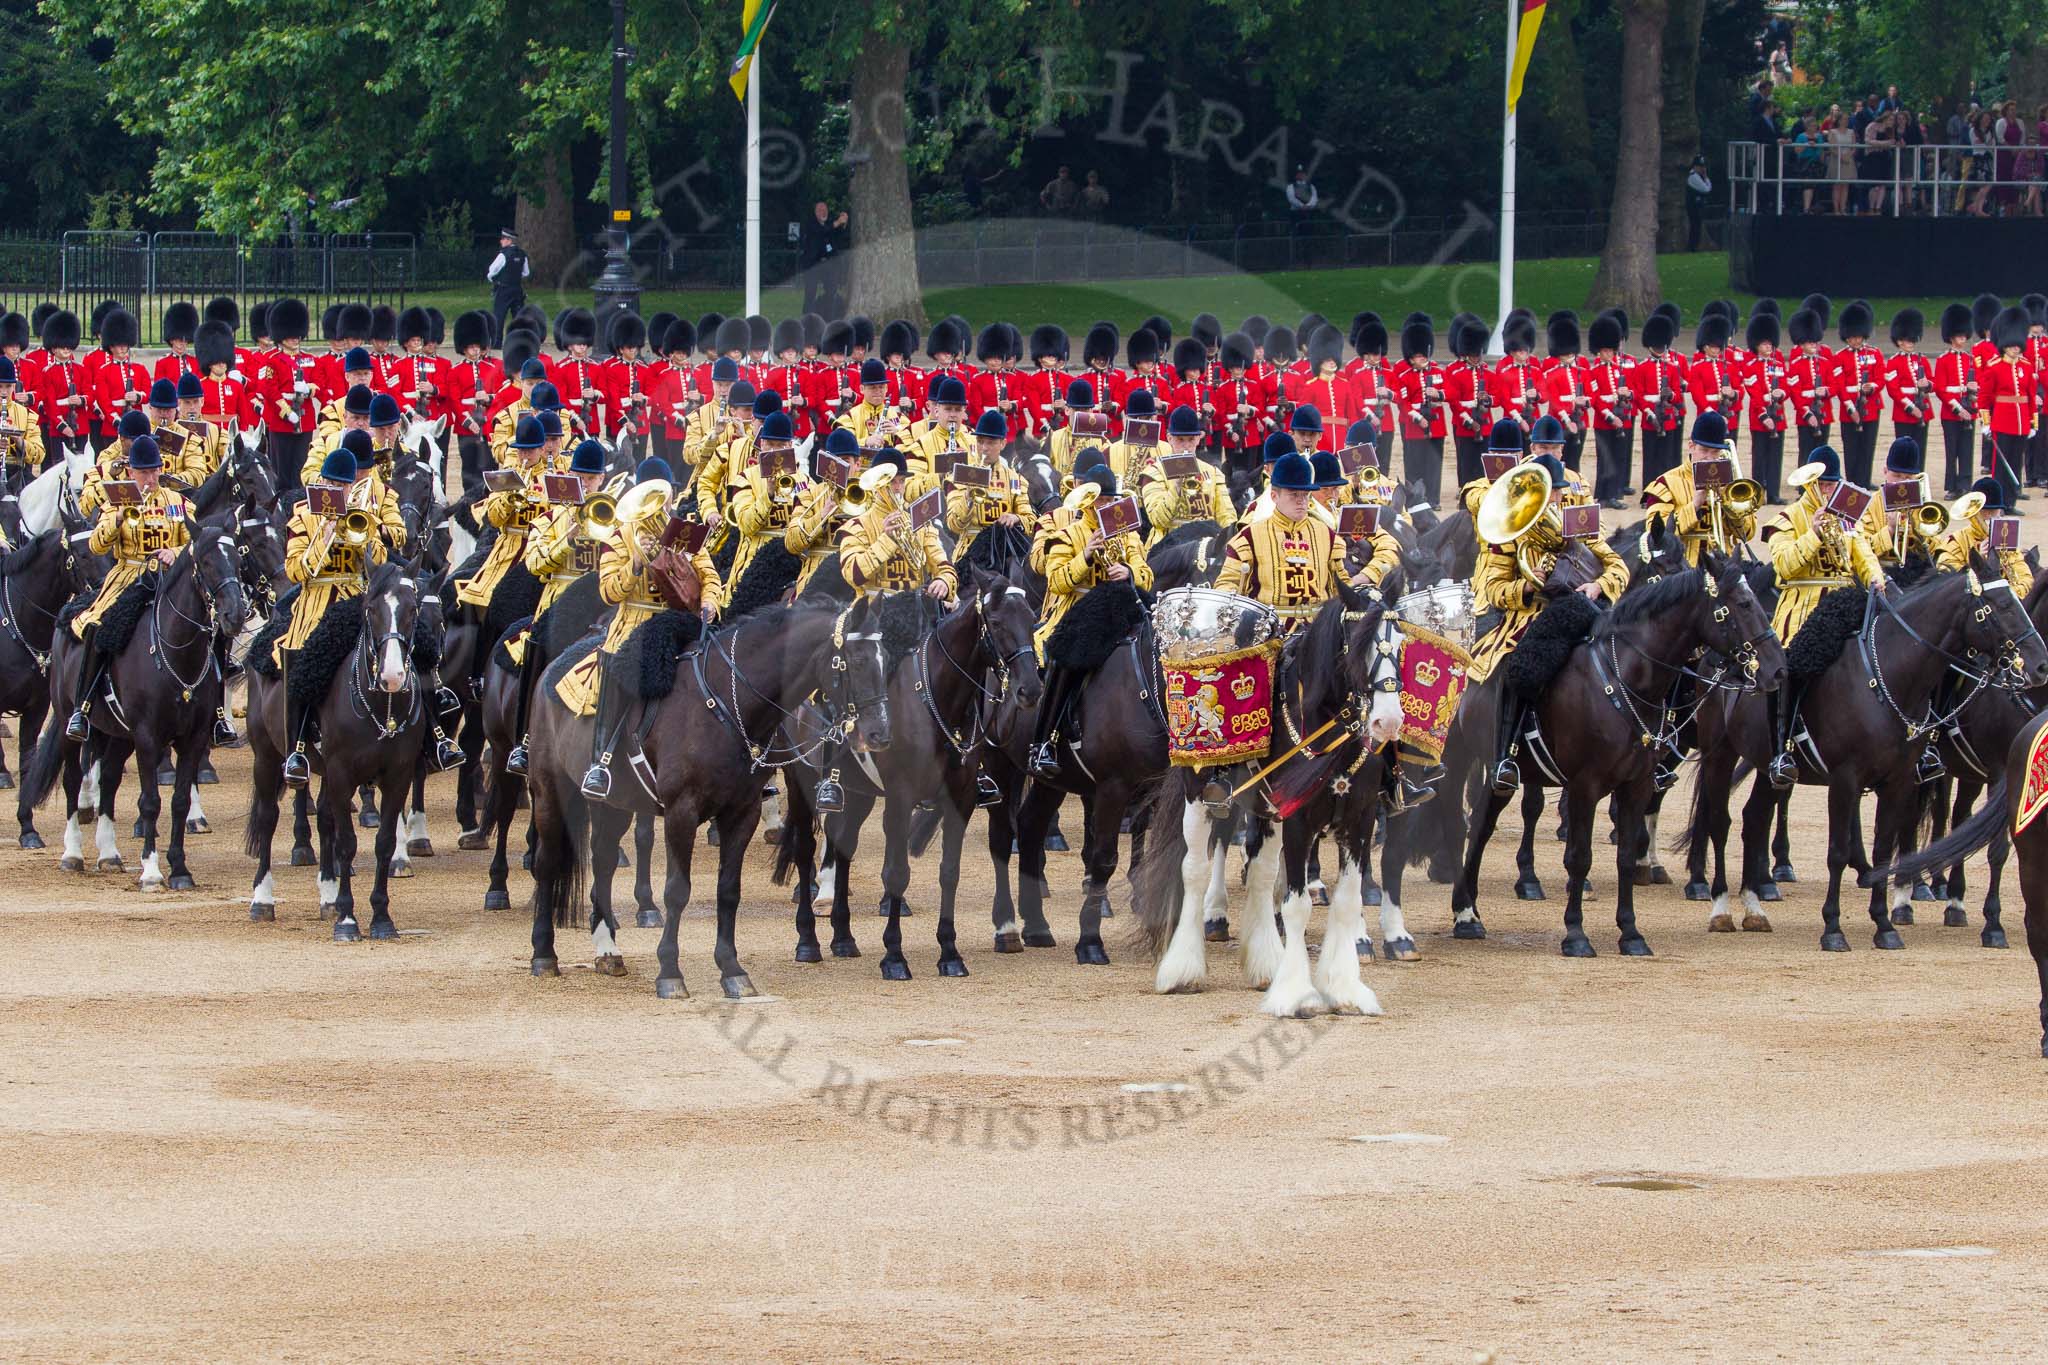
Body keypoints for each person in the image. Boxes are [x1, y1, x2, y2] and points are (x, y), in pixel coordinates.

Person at [554, 458, 723, 800]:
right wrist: (634, 564)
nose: (662, 504)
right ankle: (600, 761)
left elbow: (710, 576)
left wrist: (710, 602)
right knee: (614, 672)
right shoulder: (621, 537)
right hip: (633, 624)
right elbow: (608, 592)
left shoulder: (686, 531)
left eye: (666, 494)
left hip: (680, 624)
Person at [1471, 454, 1628, 794]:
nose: (1553, 500)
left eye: (1556, 492)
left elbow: (1617, 565)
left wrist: (1599, 585)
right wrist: (1525, 586)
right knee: (1515, 670)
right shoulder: (1508, 533)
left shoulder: (1578, 525)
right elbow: (1493, 589)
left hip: (1584, 612)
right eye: (1549, 493)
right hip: (1528, 620)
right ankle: (1506, 755)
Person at [1762, 447, 1888, 788]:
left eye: (1833, 485)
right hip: (1802, 604)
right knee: (1789, 668)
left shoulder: (1848, 517)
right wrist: (1814, 533)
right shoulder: (1786, 520)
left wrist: (1876, 576)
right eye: (1825, 485)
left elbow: (1863, 552)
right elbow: (1783, 565)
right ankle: (1782, 748)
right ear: (1811, 486)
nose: (1831, 492)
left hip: (1846, 601)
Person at [1027, 462, 1154, 777]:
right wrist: (1084, 556)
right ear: (1089, 501)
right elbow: (1056, 581)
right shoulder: (1068, 534)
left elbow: (1148, 575)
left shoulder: (1127, 535)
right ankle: (1043, 742)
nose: (1108, 506)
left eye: (1112, 500)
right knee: (1066, 657)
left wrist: (1130, 573)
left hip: (1119, 612)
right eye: (1103, 500)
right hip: (1078, 613)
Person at [63, 434, 192, 741]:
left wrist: (176, 552)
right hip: (128, 577)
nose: (151, 477)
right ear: (131, 472)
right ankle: (82, 707)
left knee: (207, 623)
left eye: (155, 470)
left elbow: (194, 537)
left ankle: (214, 713)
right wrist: (118, 517)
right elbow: (96, 544)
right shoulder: (116, 500)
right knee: (97, 625)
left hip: (169, 578)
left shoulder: (176, 503)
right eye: (144, 471)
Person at [503, 437, 613, 776]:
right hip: (558, 607)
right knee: (534, 652)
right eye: (579, 477)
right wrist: (567, 541)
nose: (584, 483)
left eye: (591, 479)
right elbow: (535, 565)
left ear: (601, 481)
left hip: (601, 606)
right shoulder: (551, 518)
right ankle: (524, 741)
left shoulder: (613, 517)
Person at [798, 202, 849, 317]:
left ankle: (829, 318)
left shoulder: (830, 222)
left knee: (831, 292)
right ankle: (806, 319)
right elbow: (821, 231)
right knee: (810, 293)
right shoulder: (810, 224)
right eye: (820, 210)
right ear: (815, 212)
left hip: (829, 264)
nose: (823, 212)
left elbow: (839, 236)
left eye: (825, 209)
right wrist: (837, 223)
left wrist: (843, 223)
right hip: (813, 265)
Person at [486, 229, 529, 340]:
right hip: (517, 289)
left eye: (502, 239)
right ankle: (519, 340)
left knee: (499, 316)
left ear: (508, 240)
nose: (501, 241)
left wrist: (492, 279)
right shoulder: (522, 254)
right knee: (518, 316)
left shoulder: (503, 254)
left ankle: (497, 342)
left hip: (503, 289)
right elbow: (526, 272)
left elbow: (492, 270)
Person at [1685, 156, 1713, 250]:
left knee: (1697, 226)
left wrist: (1705, 178)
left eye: (1703, 166)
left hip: (1697, 207)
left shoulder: (1698, 176)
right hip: (1692, 206)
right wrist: (1705, 177)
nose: (1703, 169)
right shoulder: (1693, 177)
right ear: (1695, 166)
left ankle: (1694, 247)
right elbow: (1706, 189)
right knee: (1695, 227)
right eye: (1700, 166)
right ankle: (1692, 247)